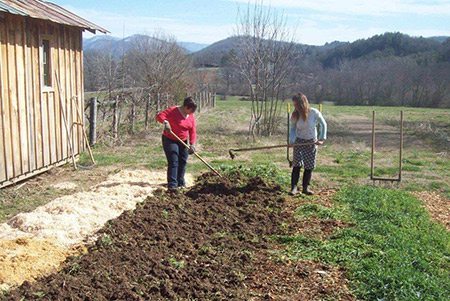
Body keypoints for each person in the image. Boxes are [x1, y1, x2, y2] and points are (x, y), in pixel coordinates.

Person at [289, 93, 327, 195]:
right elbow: (292, 129)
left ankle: (306, 188)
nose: (295, 107)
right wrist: (292, 141)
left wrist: (322, 138)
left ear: (303, 104)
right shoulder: (295, 115)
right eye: (294, 105)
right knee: (296, 165)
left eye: (297, 105)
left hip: (311, 142)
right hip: (299, 142)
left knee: (309, 166)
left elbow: (323, 124)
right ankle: (294, 188)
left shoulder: (314, 113)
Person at [156, 97, 197, 190]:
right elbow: (159, 116)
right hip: (170, 139)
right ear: (186, 107)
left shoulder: (190, 116)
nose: (192, 113)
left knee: (183, 161)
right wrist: (165, 122)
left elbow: (192, 131)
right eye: (191, 110)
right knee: (174, 161)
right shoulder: (173, 110)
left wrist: (192, 144)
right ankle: (172, 185)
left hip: (183, 141)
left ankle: (180, 183)